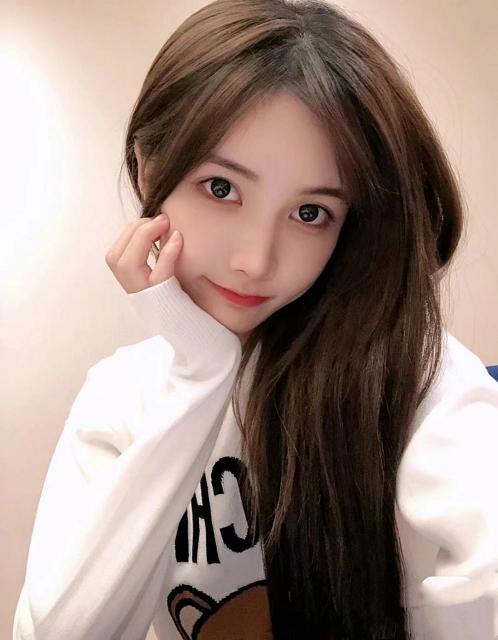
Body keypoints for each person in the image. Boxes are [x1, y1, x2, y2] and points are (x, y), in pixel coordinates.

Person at [13, 0, 498, 638]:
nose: (255, 262)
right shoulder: (119, 395)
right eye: (221, 188)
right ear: (149, 168)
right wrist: (200, 374)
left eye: (310, 213)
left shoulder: (420, 379)